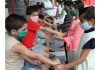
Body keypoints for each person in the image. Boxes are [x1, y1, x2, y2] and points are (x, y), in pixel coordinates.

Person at [57, 6, 95, 70]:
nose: (80, 23)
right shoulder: (86, 32)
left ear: (91, 20)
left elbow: (82, 58)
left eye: (82, 21)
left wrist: (64, 67)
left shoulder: (92, 37)